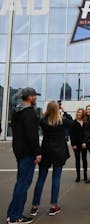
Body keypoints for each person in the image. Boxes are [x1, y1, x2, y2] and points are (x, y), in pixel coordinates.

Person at [30, 101, 72, 217]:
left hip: (46, 151)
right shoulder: (61, 121)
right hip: (59, 153)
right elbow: (72, 123)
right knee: (56, 178)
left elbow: (44, 118)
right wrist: (64, 111)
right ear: (57, 109)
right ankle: (53, 206)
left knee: (41, 179)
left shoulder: (43, 121)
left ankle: (34, 206)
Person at [7, 87, 41, 224]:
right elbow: (32, 135)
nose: (36, 98)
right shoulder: (29, 113)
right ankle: (16, 217)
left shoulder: (16, 111)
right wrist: (38, 152)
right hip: (27, 153)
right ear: (30, 97)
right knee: (23, 183)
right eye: (35, 96)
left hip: (19, 151)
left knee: (20, 183)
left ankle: (12, 214)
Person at [70, 108, 88, 182]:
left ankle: (85, 175)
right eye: (78, 112)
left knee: (84, 159)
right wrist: (73, 144)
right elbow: (71, 134)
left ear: (83, 114)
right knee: (77, 160)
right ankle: (78, 176)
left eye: (80, 112)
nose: (79, 114)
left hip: (84, 144)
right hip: (76, 145)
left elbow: (86, 134)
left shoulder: (85, 122)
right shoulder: (73, 123)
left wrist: (85, 142)